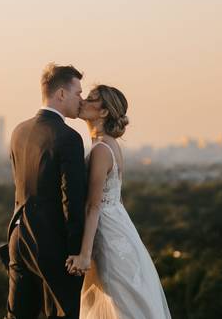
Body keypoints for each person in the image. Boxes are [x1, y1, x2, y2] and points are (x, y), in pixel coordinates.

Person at [66, 85, 172, 319]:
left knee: (120, 305)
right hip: (118, 226)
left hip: (109, 235)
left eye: (91, 99)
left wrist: (84, 255)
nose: (83, 100)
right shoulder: (108, 144)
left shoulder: (101, 149)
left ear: (103, 113)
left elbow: (93, 206)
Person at [4, 63, 88, 319]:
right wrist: (76, 251)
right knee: (67, 313)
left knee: (18, 315)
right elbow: (71, 200)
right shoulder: (68, 138)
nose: (81, 100)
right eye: (78, 93)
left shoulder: (19, 131)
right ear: (61, 94)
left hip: (18, 237)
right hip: (51, 243)